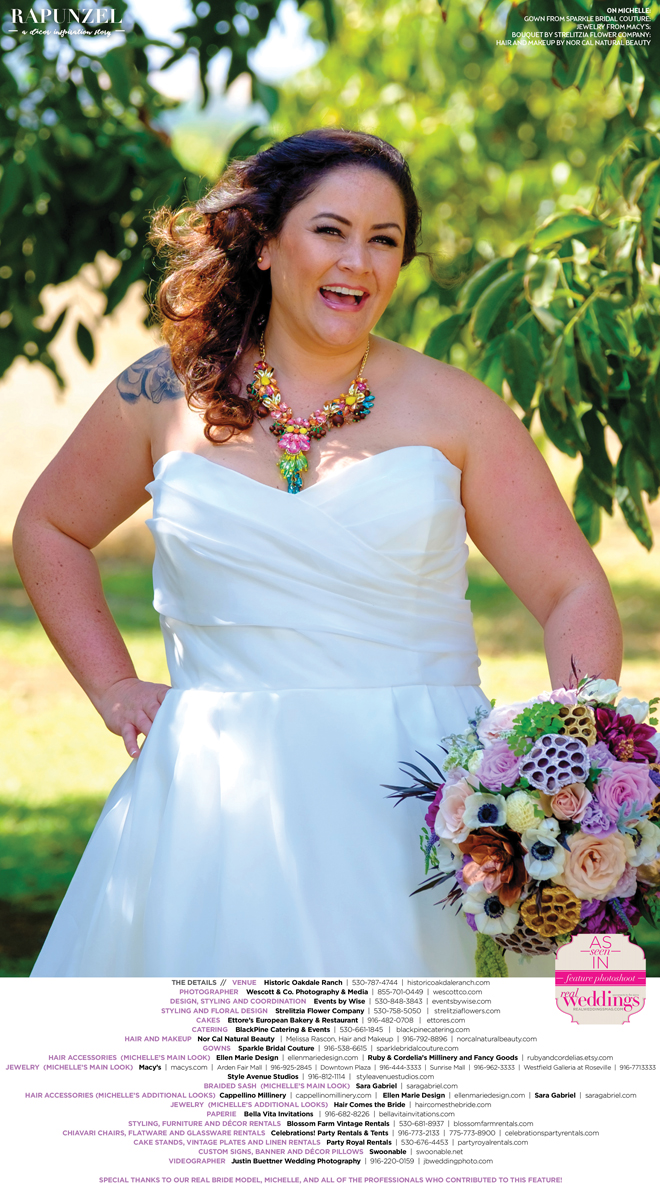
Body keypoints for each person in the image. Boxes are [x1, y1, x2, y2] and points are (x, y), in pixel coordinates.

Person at [14, 129, 622, 978]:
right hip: (209, 808)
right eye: (330, 230)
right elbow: (49, 526)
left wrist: (570, 755)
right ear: (265, 242)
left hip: (422, 809)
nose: (357, 262)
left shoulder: (460, 411)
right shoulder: (161, 394)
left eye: (385, 240)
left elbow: (570, 589)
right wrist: (112, 685)